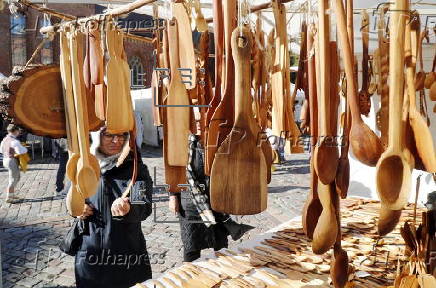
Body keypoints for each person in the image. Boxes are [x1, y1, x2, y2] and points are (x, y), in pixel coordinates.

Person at [74, 127, 153, 288]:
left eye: (122, 135)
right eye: (109, 135)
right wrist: (77, 208)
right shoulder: (83, 167)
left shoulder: (135, 169)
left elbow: (143, 205)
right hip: (90, 253)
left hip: (128, 256)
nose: (117, 141)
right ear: (96, 136)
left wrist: (129, 209)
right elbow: (72, 198)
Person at [169, 134, 254, 262]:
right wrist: (172, 195)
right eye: (195, 119)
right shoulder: (180, 142)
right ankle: (190, 277)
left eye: (201, 118)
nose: (198, 123)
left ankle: (222, 275)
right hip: (190, 201)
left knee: (221, 247)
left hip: (216, 200)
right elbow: (173, 170)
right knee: (191, 248)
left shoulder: (217, 138)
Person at [0, 124, 28, 203]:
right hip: (11, 160)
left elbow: (1, 150)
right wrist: (25, 148)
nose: (19, 132)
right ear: (15, 131)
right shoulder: (14, 141)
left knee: (17, 177)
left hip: (5, 159)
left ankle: (11, 194)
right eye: (18, 130)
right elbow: (21, 151)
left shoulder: (5, 139)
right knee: (13, 179)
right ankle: (9, 197)